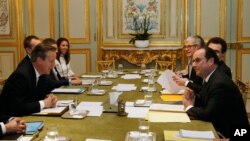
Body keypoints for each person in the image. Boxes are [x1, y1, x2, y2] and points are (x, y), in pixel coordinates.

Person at [183, 47, 248, 138]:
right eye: (193, 61)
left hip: (229, 133)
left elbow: (207, 115)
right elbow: (207, 99)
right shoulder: (212, 76)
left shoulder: (219, 83)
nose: (193, 65)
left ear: (211, 61)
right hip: (219, 125)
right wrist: (193, 97)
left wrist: (189, 107)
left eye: (197, 61)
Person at [0, 43, 58, 116]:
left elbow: (38, 96)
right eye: (51, 61)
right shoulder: (21, 76)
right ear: (39, 60)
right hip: (11, 121)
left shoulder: (42, 73)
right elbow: (16, 108)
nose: (54, 65)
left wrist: (50, 98)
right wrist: (44, 103)